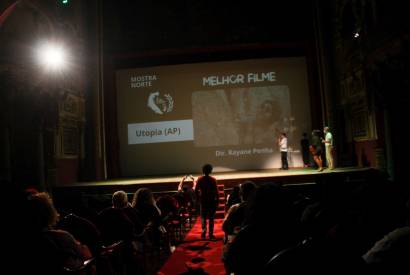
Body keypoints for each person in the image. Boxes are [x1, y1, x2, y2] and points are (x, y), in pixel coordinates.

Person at [195, 163, 219, 239]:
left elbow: (196, 190)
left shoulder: (200, 179)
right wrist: (217, 200)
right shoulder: (213, 180)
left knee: (203, 217)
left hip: (203, 200)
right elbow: (216, 191)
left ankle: (204, 231)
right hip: (211, 200)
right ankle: (211, 234)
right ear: (210, 171)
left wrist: (198, 198)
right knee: (211, 217)